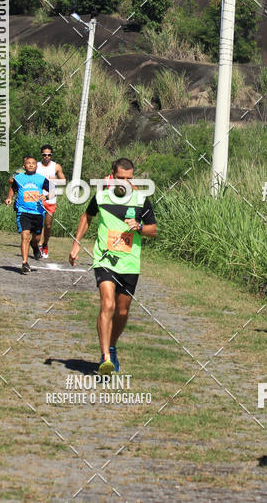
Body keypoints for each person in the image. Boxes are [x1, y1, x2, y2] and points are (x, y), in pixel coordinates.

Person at [69, 158, 157, 376]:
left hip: (130, 263)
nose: (124, 182)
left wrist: (139, 227)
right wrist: (76, 243)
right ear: (112, 175)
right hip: (105, 259)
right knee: (107, 304)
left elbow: (153, 230)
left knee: (122, 310)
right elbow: (87, 216)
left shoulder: (141, 200)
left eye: (129, 178)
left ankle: (112, 346)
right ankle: (105, 357)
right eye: (120, 178)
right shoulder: (101, 196)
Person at [5, 156, 49, 274]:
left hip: (38, 212)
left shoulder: (41, 179)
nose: (30, 165)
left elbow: (53, 190)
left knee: (37, 238)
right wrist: (9, 198)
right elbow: (13, 188)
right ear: (24, 166)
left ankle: (34, 246)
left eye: (33, 163)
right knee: (25, 236)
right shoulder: (19, 178)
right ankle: (24, 263)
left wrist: (46, 196)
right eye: (28, 163)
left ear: (36, 166)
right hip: (23, 211)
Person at [36, 145, 65, 259]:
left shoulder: (56, 166)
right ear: (41, 155)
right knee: (39, 224)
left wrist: (54, 179)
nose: (46, 157)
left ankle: (45, 244)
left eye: (49, 155)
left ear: (51, 155)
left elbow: (63, 181)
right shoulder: (37, 165)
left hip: (51, 198)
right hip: (38, 198)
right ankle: (38, 246)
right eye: (44, 155)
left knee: (47, 225)